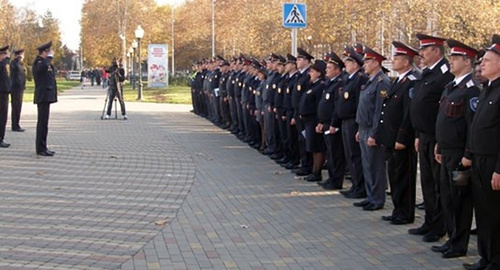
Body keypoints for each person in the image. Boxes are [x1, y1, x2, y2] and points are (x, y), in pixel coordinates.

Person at [430, 38, 480, 259]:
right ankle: (452, 238)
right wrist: (440, 143)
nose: (451, 61)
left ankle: (459, 244)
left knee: (460, 201)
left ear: (467, 62)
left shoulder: (471, 91)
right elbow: (444, 119)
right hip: (446, 151)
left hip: (459, 154)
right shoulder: (451, 86)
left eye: (456, 58)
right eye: (451, 57)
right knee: (447, 198)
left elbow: (472, 127)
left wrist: (467, 155)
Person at [409, 33, 454, 242]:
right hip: (424, 135)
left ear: (436, 51)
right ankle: (429, 221)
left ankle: (439, 226)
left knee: (438, 185)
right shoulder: (427, 73)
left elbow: (441, 111)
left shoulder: (445, 74)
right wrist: (418, 134)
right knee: (426, 182)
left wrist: (438, 140)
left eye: (424, 50)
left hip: (437, 138)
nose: (421, 54)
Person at [464, 34, 500, 270]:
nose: (481, 64)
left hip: (493, 163)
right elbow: (476, 126)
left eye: (486, 60)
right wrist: (468, 153)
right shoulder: (487, 89)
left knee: (496, 214)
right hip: (479, 159)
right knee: (483, 212)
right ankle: (485, 257)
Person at [379, 41, 419, 224]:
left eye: (396, 58)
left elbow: (408, 113)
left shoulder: (411, 82)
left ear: (406, 61)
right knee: (394, 176)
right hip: (390, 137)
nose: (393, 61)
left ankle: (406, 213)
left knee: (404, 177)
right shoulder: (400, 80)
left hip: (401, 139)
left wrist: (402, 137)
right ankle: (397, 210)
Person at [353, 46, 391, 211]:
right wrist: (359, 129)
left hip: (372, 130)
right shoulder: (370, 81)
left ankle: (377, 199)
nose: (364, 65)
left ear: (376, 63)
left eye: (367, 62)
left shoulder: (383, 82)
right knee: (367, 165)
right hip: (363, 128)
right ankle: (370, 196)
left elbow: (379, 111)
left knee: (375, 166)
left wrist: (375, 133)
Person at [338, 46, 368, 199]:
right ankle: (355, 186)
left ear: (355, 64)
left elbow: (359, 104)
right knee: (350, 155)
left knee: (356, 156)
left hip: (353, 122)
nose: (345, 65)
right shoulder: (349, 79)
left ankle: (360, 188)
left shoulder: (360, 79)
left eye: (348, 63)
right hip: (345, 122)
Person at [317, 52, 346, 190]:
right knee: (330, 153)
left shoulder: (339, 84)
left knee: (336, 154)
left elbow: (336, 107)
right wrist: (321, 122)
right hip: (326, 123)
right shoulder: (330, 83)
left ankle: (336, 180)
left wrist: (334, 123)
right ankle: (331, 178)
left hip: (333, 124)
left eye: (329, 68)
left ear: (337, 70)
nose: (326, 70)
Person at [299, 59, 327, 182]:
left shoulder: (320, 86)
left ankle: (317, 172)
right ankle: (314, 171)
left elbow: (319, 106)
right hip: (308, 120)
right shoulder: (313, 84)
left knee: (317, 147)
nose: (310, 73)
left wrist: (319, 121)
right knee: (311, 146)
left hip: (314, 120)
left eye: (312, 71)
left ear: (319, 73)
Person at [33, 41, 57, 156]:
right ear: (44, 52)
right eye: (48, 51)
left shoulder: (45, 62)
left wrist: (49, 61)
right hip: (42, 96)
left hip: (46, 96)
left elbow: (51, 71)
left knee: (45, 123)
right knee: (42, 123)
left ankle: (43, 146)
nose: (50, 53)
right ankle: (40, 148)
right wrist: (48, 59)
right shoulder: (39, 62)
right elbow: (41, 69)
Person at [10, 49, 26, 132]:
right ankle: (15, 125)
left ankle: (17, 124)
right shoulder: (14, 63)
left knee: (18, 107)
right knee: (16, 107)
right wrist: (17, 58)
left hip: (20, 88)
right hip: (16, 88)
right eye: (22, 55)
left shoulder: (19, 64)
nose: (23, 56)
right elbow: (16, 76)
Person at [0, 45, 11, 148]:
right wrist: (7, 58)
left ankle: (1, 138)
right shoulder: (1, 65)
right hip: (1, 94)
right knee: (1, 116)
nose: (5, 56)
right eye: (3, 54)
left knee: (3, 117)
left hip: (4, 93)